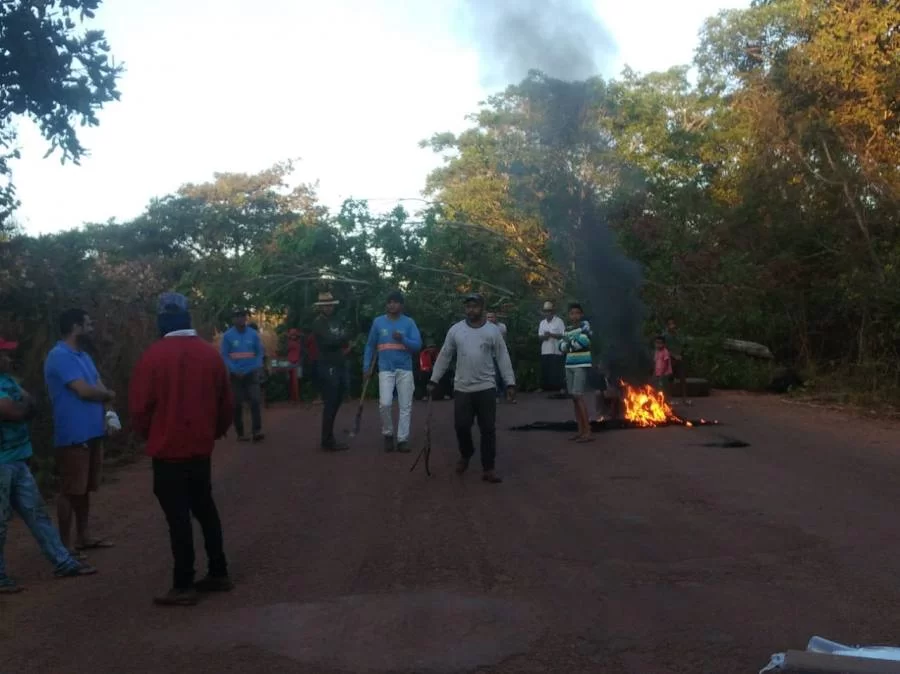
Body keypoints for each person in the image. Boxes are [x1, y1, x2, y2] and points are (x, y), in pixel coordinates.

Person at [130, 293, 234, 606]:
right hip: (200, 448)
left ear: (161, 320)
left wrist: (150, 434)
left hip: (167, 450)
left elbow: (139, 408)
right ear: (188, 318)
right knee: (205, 508)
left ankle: (183, 583)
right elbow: (225, 404)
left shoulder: (152, 356)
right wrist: (212, 433)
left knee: (178, 517)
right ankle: (218, 571)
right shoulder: (210, 354)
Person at [1, 338, 96, 594]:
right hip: (3, 462)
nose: (10, 359)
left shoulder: (8, 381)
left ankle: (63, 561)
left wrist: (22, 406)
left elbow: (27, 405)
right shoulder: (9, 384)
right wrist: (23, 406)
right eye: (5, 354)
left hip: (17, 457)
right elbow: (14, 411)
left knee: (37, 512)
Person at [44, 308, 116, 555]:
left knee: (84, 488)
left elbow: (96, 385)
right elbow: (84, 390)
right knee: (70, 488)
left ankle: (83, 536)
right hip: (73, 433)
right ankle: (65, 545)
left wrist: (107, 411)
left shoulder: (83, 356)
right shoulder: (59, 356)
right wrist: (107, 396)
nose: (92, 328)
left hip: (92, 430)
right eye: (88, 324)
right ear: (76, 326)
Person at [429, 293, 515, 484]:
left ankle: (488, 468)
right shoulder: (456, 331)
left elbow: (502, 356)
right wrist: (434, 380)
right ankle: (466, 453)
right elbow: (444, 355)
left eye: (475, 306)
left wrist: (510, 382)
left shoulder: (493, 331)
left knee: (488, 429)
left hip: (486, 386)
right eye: (468, 306)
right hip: (462, 387)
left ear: (482, 308)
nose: (471, 310)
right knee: (461, 426)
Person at [364, 290, 422, 453]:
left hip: (405, 369)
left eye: (395, 302)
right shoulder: (378, 322)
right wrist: (366, 367)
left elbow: (417, 345)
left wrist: (403, 339)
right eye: (389, 302)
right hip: (385, 369)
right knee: (385, 403)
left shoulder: (409, 323)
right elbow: (370, 346)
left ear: (401, 305)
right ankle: (388, 434)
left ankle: (403, 439)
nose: (392, 305)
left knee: (405, 406)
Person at [312, 291, 351, 451]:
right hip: (327, 365)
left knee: (338, 399)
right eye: (325, 305)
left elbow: (346, 335)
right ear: (320, 307)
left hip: (339, 362)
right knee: (330, 401)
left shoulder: (336, 320)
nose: (328, 307)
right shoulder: (318, 323)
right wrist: (340, 338)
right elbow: (328, 341)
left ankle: (329, 437)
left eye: (330, 305)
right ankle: (327, 440)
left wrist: (340, 339)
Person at [220, 309, 265, 442]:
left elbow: (259, 353)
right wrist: (234, 370)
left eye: (242, 316)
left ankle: (257, 431)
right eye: (237, 317)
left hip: (251, 374)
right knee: (237, 404)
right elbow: (224, 355)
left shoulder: (253, 334)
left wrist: (254, 367)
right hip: (236, 376)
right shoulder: (228, 336)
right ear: (233, 320)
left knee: (256, 401)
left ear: (246, 318)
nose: (240, 319)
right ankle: (240, 433)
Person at [559, 303, 594, 443]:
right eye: (572, 313)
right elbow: (560, 347)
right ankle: (580, 431)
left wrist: (569, 344)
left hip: (581, 364)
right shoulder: (567, 329)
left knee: (578, 396)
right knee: (574, 397)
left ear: (581, 314)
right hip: (569, 365)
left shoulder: (585, 327)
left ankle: (588, 431)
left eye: (577, 313)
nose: (574, 316)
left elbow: (583, 342)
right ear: (569, 315)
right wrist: (571, 344)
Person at [538, 301, 566, 394]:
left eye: (549, 311)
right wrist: (545, 336)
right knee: (545, 369)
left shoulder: (559, 321)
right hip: (545, 349)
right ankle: (545, 387)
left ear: (553, 312)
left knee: (558, 370)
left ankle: (560, 387)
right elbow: (540, 336)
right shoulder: (542, 323)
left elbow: (562, 335)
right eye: (546, 311)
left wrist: (551, 334)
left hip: (556, 349)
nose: (547, 313)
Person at [486, 311, 511, 403]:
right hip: (490, 355)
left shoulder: (502, 327)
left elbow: (499, 340)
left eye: (491, 317)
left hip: (501, 354)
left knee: (504, 375)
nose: (490, 319)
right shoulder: (484, 328)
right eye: (488, 317)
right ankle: (496, 395)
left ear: (495, 317)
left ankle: (508, 394)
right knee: (494, 376)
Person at [664, 317, 690, 405]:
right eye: (670, 324)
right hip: (670, 360)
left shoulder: (678, 335)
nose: (672, 326)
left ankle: (684, 399)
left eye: (673, 324)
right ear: (667, 326)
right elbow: (664, 348)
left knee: (683, 379)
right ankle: (669, 399)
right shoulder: (665, 336)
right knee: (670, 379)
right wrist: (673, 355)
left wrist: (680, 355)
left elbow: (682, 345)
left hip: (679, 359)